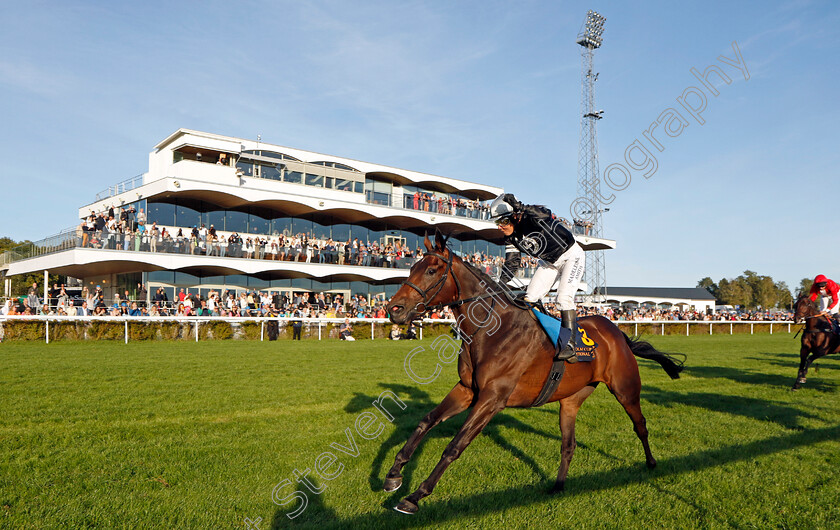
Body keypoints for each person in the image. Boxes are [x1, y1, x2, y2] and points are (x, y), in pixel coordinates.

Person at [489, 192, 584, 362]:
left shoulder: (529, 217)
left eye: (502, 221)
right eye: (497, 222)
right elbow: (512, 263)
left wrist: (522, 208)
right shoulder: (511, 238)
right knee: (530, 299)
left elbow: (546, 215)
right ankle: (545, 337)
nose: (499, 227)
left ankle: (570, 345)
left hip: (571, 256)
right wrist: (499, 285)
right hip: (549, 263)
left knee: (563, 298)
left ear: (515, 217)